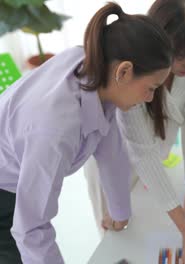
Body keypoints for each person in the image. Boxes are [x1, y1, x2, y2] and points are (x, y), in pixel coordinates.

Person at [0, 3, 172, 263]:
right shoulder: (54, 129)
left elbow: (110, 150)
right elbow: (31, 229)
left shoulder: (96, 70)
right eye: (151, 88)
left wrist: (119, 211)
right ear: (124, 71)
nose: (150, 98)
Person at [84, 0, 185, 262]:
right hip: (115, 166)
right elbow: (141, 153)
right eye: (180, 57)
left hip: (151, 160)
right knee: (120, 239)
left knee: (149, 230)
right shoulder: (133, 72)